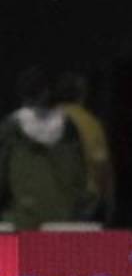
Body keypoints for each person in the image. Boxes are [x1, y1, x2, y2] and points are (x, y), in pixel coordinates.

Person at [0, 68, 91, 231]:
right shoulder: (69, 127)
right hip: (64, 219)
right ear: (47, 92)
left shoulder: (10, 129)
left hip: (21, 220)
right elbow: (80, 179)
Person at [53, 72, 115, 224]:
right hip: (84, 199)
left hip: (51, 197)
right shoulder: (91, 124)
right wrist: (109, 202)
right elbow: (101, 166)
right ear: (82, 94)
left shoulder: (45, 121)